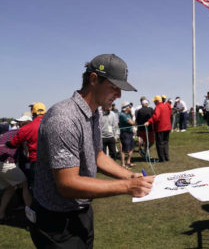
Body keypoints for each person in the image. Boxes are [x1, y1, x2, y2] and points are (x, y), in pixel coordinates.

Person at [30, 54, 154, 248]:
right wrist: (128, 187)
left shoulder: (93, 112)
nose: (119, 95)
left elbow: (97, 155)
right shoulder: (64, 118)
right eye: (114, 87)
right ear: (94, 79)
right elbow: (67, 184)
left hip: (81, 211)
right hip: (56, 221)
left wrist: (130, 177)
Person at [6, 102, 47, 189]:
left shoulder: (27, 127)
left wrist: (7, 143)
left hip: (36, 161)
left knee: (36, 188)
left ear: (33, 112)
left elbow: (13, 143)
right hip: (53, 161)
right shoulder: (54, 123)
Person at [0, 130, 32, 222]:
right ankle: (31, 215)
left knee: (11, 187)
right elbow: (27, 153)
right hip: (6, 162)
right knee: (25, 184)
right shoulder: (24, 133)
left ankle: (1, 214)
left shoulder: (10, 132)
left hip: (2, 161)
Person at [145, 95, 172, 162]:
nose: (154, 102)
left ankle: (162, 159)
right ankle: (166, 157)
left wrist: (149, 121)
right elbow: (170, 112)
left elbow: (156, 117)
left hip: (160, 128)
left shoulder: (158, 107)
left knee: (159, 143)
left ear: (157, 101)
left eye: (154, 101)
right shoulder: (166, 105)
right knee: (166, 142)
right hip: (167, 127)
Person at [119, 101, 135, 168]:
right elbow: (132, 122)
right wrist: (132, 122)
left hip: (130, 133)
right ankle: (123, 164)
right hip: (125, 134)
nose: (130, 107)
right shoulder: (122, 115)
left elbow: (133, 122)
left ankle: (128, 162)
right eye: (129, 106)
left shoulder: (128, 114)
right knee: (124, 149)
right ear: (126, 108)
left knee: (132, 147)